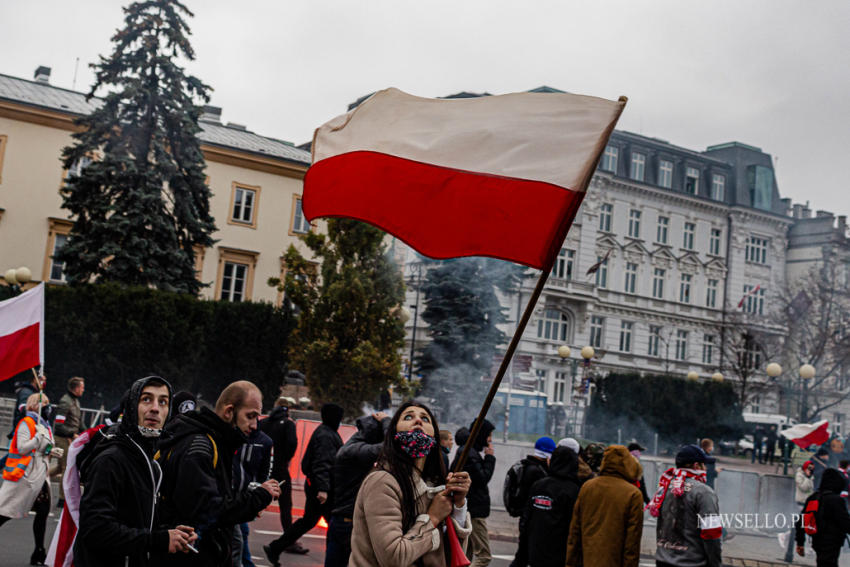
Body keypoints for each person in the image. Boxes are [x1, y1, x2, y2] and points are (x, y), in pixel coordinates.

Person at [73, 376, 197, 567]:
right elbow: (95, 530)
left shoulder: (149, 461)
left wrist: (172, 533)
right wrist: (160, 540)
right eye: (146, 399)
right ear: (132, 406)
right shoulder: (111, 459)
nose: (155, 408)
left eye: (163, 402)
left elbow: (138, 520)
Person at [156, 380, 280, 566]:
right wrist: (258, 498)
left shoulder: (217, 442)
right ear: (229, 411)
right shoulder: (201, 446)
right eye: (250, 416)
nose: (255, 425)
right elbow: (208, 510)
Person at [349, 401, 472, 566]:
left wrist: (458, 505)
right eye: (408, 417)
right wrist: (433, 518)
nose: (418, 421)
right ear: (394, 433)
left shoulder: (432, 487)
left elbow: (450, 557)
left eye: (425, 419)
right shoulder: (382, 482)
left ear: (434, 436)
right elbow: (393, 557)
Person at [265, 403, 344, 565]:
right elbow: (322, 463)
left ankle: (276, 547)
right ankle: (334, 561)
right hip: (321, 488)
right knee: (335, 526)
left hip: (318, 485)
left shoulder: (325, 432)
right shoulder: (326, 435)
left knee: (309, 521)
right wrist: (323, 489)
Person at [0, 392, 62, 565]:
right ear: (36, 405)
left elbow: (44, 448)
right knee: (5, 512)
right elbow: (22, 448)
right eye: (46, 404)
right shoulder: (26, 423)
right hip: (25, 476)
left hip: (40, 476)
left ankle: (39, 552)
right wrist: (37, 438)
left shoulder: (44, 425)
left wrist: (51, 450)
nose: (49, 408)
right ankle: (39, 552)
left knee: (42, 512)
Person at [325, 411, 390, 567]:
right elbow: (390, 447)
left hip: (342, 520)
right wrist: (387, 421)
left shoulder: (352, 447)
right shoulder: (355, 451)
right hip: (348, 522)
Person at [565, 445, 644, 567]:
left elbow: (575, 533)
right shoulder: (633, 494)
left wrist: (571, 563)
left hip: (587, 560)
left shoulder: (587, 487)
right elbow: (632, 544)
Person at [649, 444, 721, 567]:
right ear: (696, 466)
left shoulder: (664, 488)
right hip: (691, 563)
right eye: (704, 465)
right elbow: (711, 533)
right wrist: (715, 564)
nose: (706, 469)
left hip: (662, 560)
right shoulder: (704, 492)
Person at [519, 445, 580, 567]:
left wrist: (521, 557)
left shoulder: (539, 485)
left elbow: (526, 521)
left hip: (535, 552)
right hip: (560, 555)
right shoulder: (574, 491)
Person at [258, 397, 303, 553]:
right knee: (286, 506)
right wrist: (285, 459)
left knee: (255, 499)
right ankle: (289, 540)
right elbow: (292, 444)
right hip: (280, 469)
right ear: (287, 408)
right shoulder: (288, 423)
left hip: (263, 468)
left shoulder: (264, 423)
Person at [452, 418, 496, 567]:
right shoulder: (469, 453)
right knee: (484, 556)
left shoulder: (470, 452)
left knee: (467, 556)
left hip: (472, 509)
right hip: (474, 511)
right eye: (489, 435)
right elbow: (482, 478)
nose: (490, 439)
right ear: (482, 434)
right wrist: (489, 457)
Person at [509, 436, 555, 567]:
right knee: (524, 557)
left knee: (523, 556)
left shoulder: (528, 466)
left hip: (526, 518)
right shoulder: (537, 472)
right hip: (530, 519)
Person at [232, 427, 273, 567]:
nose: (252, 424)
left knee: (240, 536)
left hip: (246, 495)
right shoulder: (231, 435)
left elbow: (263, 472)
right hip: (231, 495)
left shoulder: (265, 441)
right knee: (238, 538)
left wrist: (261, 500)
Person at [795, 468, 850, 566]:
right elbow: (845, 522)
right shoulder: (836, 500)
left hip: (817, 540)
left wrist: (800, 542)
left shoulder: (814, 497)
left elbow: (802, 520)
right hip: (832, 541)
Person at [54, 376, 85, 507]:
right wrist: (72, 434)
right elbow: (59, 424)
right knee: (66, 468)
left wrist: (87, 433)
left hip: (70, 438)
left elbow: (78, 422)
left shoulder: (75, 401)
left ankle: (41, 477)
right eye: (82, 387)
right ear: (76, 388)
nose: (84, 390)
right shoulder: (65, 402)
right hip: (62, 439)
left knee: (59, 468)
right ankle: (62, 499)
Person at [783, 459, 816, 562]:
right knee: (804, 524)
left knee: (805, 523)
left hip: (808, 503)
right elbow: (803, 487)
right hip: (801, 502)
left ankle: (786, 535)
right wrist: (807, 477)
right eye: (809, 467)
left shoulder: (810, 476)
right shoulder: (800, 475)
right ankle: (785, 535)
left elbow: (811, 489)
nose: (810, 470)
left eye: (812, 468)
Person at [8, 372, 45, 440]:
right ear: (35, 379)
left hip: (27, 429)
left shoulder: (35, 392)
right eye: (42, 380)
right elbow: (23, 408)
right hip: (22, 430)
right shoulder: (26, 392)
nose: (44, 382)